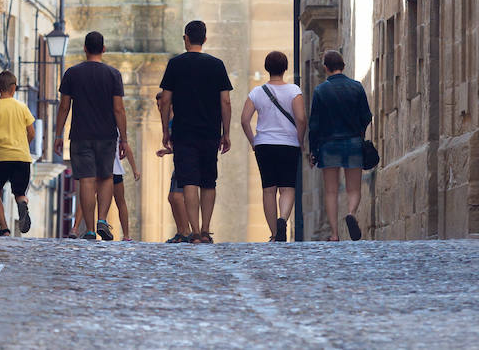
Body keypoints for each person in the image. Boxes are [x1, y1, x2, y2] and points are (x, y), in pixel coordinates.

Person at [158, 20, 232, 244]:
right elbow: (225, 102)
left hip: (183, 132)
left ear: (186, 38)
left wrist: (165, 130)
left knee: (189, 181)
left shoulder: (175, 65)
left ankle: (196, 231)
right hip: (210, 131)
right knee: (209, 181)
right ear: (205, 39)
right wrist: (225, 132)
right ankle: (207, 230)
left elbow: (166, 100)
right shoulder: (217, 65)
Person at [54, 31, 132, 241]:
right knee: (106, 176)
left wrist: (58, 134)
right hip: (107, 135)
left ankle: (89, 229)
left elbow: (64, 106)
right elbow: (119, 109)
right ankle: (102, 219)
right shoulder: (113, 74)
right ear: (103, 49)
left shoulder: (72, 73)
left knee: (86, 181)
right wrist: (123, 138)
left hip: (80, 134)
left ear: (85, 49)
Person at [240, 51, 306, 242]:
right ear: (285, 68)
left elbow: (245, 120)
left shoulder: (256, 92)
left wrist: (253, 141)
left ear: (267, 68)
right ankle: (283, 218)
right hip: (288, 144)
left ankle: (275, 234)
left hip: (264, 145)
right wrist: (300, 140)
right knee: (287, 187)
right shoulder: (294, 91)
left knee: (268, 189)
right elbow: (301, 118)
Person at [308, 50, 373, 241]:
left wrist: (313, 150)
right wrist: (359, 131)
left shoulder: (320, 91)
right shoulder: (356, 87)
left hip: (328, 145)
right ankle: (351, 213)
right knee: (354, 188)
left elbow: (314, 124)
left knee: (331, 190)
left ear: (326, 68)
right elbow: (366, 116)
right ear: (343, 66)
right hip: (352, 141)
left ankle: (335, 234)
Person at [0, 70, 36, 237]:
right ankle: (22, 204)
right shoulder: (22, 107)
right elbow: (31, 133)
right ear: (14, 88)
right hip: (22, 157)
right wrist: (24, 146)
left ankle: (4, 229)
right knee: (20, 193)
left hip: (1, 157)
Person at [155, 91, 190, 243]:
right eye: (157, 105)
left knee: (177, 197)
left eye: (161, 104)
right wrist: (168, 151)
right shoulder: (168, 122)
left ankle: (186, 232)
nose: (159, 108)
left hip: (185, 161)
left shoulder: (177, 120)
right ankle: (180, 230)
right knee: (172, 198)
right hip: (179, 159)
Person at [111, 137, 140, 241]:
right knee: (121, 202)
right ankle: (126, 235)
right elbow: (126, 147)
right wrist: (135, 169)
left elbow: (127, 148)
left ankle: (77, 227)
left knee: (88, 199)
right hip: (114, 169)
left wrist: (135, 169)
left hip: (100, 169)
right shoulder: (118, 128)